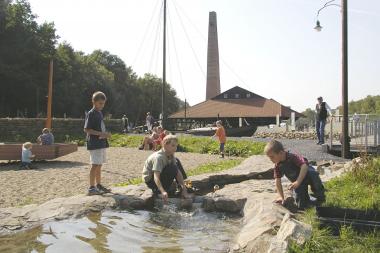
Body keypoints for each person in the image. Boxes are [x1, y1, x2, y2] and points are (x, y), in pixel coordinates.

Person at [264, 139, 325, 209]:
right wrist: (281, 197)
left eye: (272, 157)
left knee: (313, 174)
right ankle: (308, 200)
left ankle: (320, 198)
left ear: (280, 153)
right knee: (301, 206)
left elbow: (304, 166)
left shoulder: (292, 157)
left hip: (306, 176)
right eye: (269, 157)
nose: (270, 159)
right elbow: (278, 182)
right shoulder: (278, 166)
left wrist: (298, 182)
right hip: (298, 183)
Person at [142, 135, 191, 203]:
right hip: (151, 181)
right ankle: (158, 190)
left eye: (176, 146)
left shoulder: (170, 154)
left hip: (159, 176)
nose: (175, 148)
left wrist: (184, 188)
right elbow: (156, 177)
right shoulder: (159, 158)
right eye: (173, 146)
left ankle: (182, 187)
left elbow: (178, 172)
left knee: (176, 162)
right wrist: (163, 191)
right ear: (165, 145)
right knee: (173, 167)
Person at [84, 91, 112, 195]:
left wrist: (105, 134)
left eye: (103, 103)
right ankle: (91, 187)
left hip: (101, 143)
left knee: (99, 165)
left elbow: (99, 127)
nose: (102, 105)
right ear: (94, 102)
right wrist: (102, 133)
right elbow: (87, 129)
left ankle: (98, 185)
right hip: (95, 143)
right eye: (100, 103)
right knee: (95, 164)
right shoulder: (91, 113)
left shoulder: (99, 113)